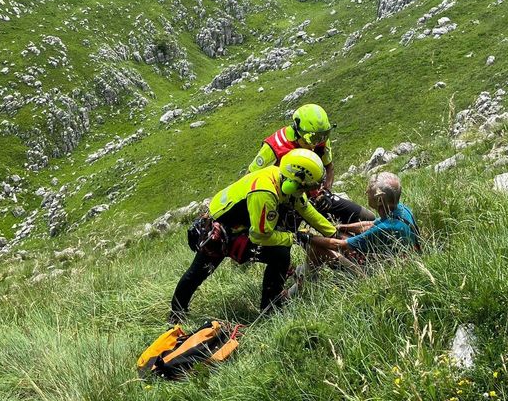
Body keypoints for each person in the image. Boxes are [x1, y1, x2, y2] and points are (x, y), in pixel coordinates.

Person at [170, 149, 337, 323]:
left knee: (279, 252)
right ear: (295, 183)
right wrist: (293, 238)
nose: (311, 191)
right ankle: (177, 315)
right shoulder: (266, 193)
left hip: (240, 224)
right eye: (309, 186)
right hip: (221, 231)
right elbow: (260, 236)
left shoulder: (282, 177)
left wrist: (333, 232)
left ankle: (270, 305)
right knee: (199, 272)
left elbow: (305, 209)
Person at [248, 103, 375, 225]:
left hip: (316, 198)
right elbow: (250, 177)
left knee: (367, 218)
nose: (317, 142)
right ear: (298, 130)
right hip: (286, 204)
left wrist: (325, 192)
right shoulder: (274, 146)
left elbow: (329, 167)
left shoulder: (320, 139)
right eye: (313, 138)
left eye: (324, 135)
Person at [301, 171, 420, 264]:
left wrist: (308, 237)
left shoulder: (386, 228)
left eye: (370, 191)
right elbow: (370, 224)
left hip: (382, 267)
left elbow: (338, 245)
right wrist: (341, 227)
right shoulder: (401, 209)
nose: (367, 192)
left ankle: (302, 282)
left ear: (379, 199)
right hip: (398, 256)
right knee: (340, 234)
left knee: (317, 247)